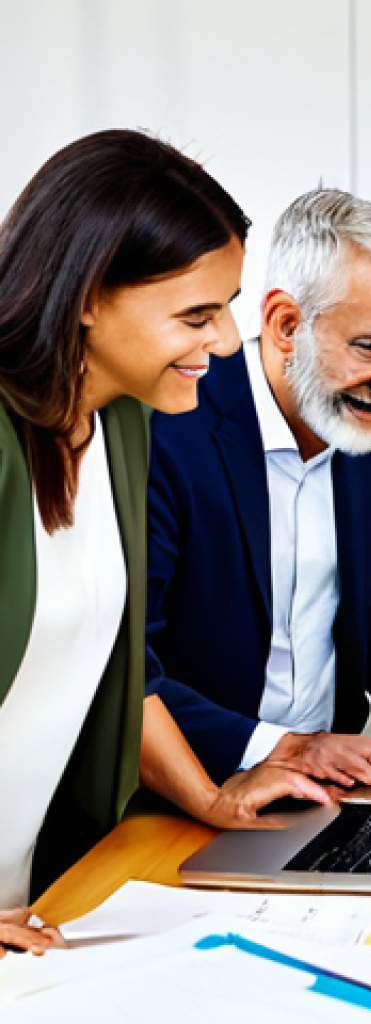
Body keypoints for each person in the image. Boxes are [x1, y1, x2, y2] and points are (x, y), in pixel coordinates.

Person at [0, 130, 321, 958]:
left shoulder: (126, 426)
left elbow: (122, 671)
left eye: (229, 306)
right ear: (86, 297)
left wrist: (212, 801)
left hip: (35, 905)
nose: (224, 342)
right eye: (197, 314)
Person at [144, 190, 371, 793]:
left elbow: (369, 567)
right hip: (194, 790)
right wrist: (282, 749)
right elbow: (131, 666)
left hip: (335, 784)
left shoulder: (361, 422)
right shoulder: (169, 431)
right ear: (286, 325)